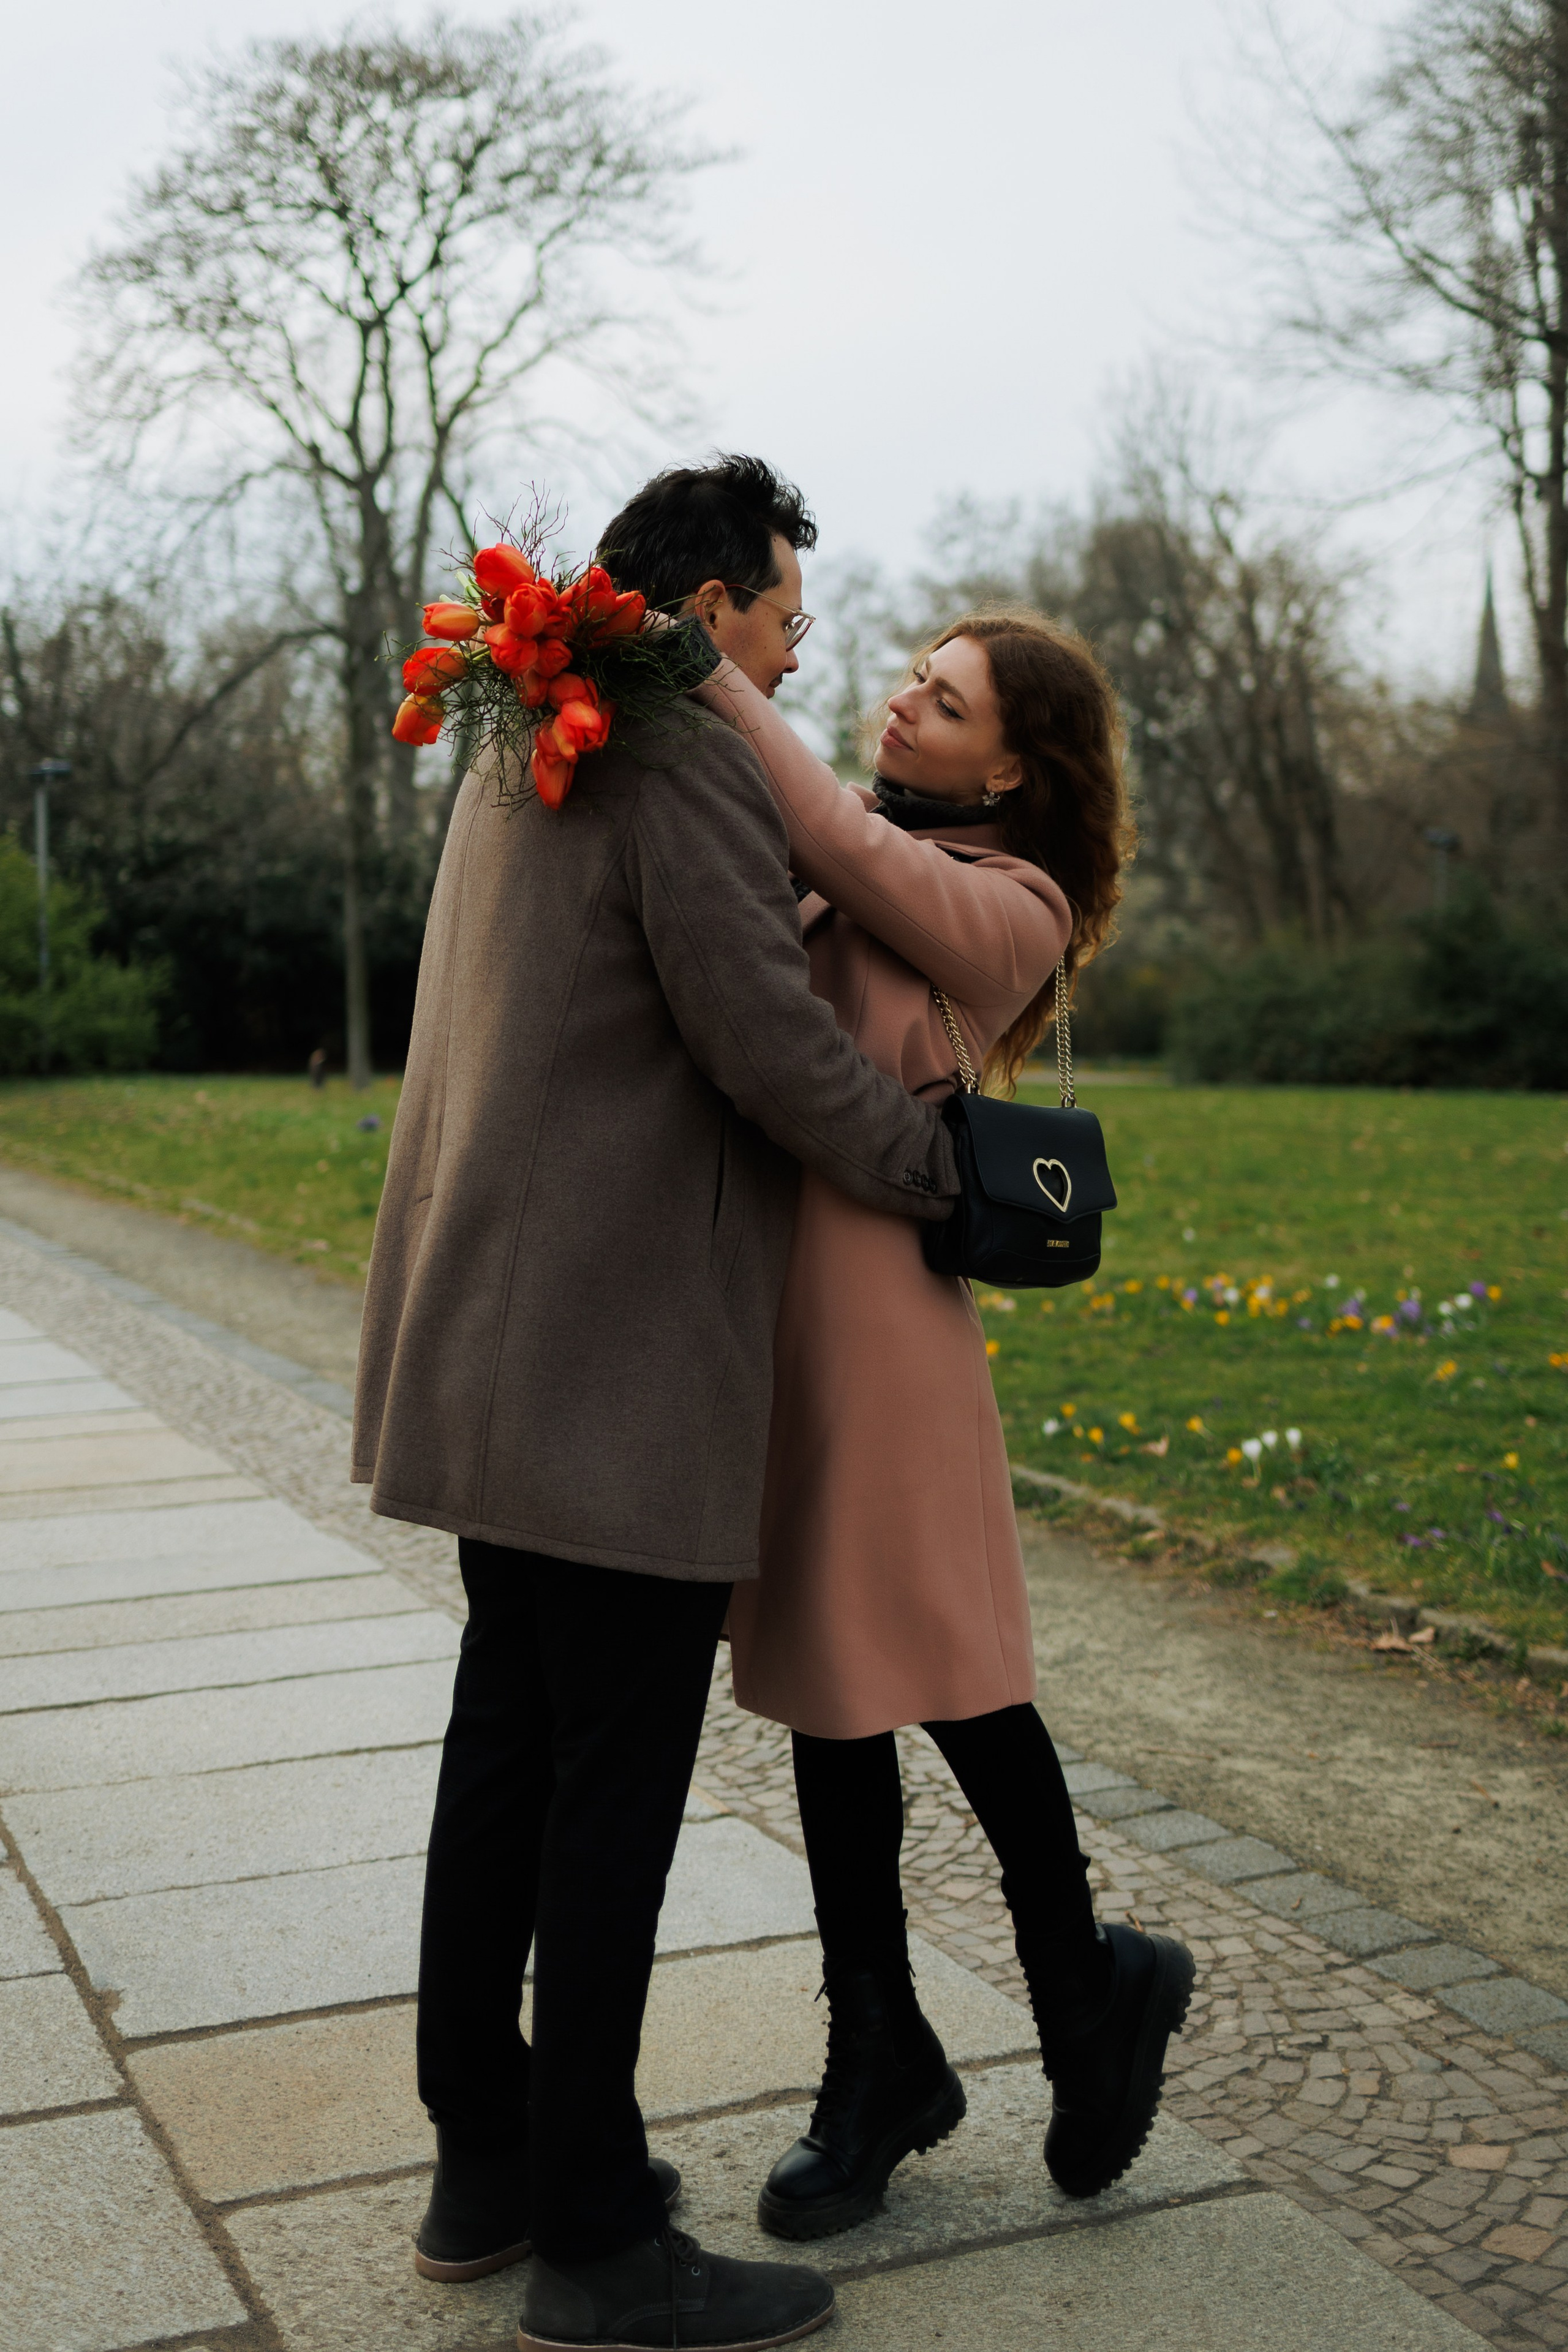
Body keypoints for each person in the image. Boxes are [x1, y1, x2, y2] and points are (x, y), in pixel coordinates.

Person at [352, 456, 963, 2352]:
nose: (796, 652)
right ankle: (602, 2241)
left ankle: (487, 2165)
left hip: (493, 1340)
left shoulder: (525, 726)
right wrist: (934, 1165)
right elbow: (761, 1032)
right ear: (706, 613)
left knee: (505, 1760)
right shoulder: (681, 749)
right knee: (606, 1796)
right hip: (612, 1367)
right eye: (785, 617)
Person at [687, 611, 1197, 2241]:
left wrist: (701, 668)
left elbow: (834, 837)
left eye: (948, 698)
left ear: (1012, 770)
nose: (906, 698)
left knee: (960, 1688)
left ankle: (1067, 1994)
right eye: (914, 672)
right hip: (787, 1319)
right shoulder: (854, 845)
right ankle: (897, 2046)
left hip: (886, 1334)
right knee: (831, 1696)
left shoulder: (1014, 906)